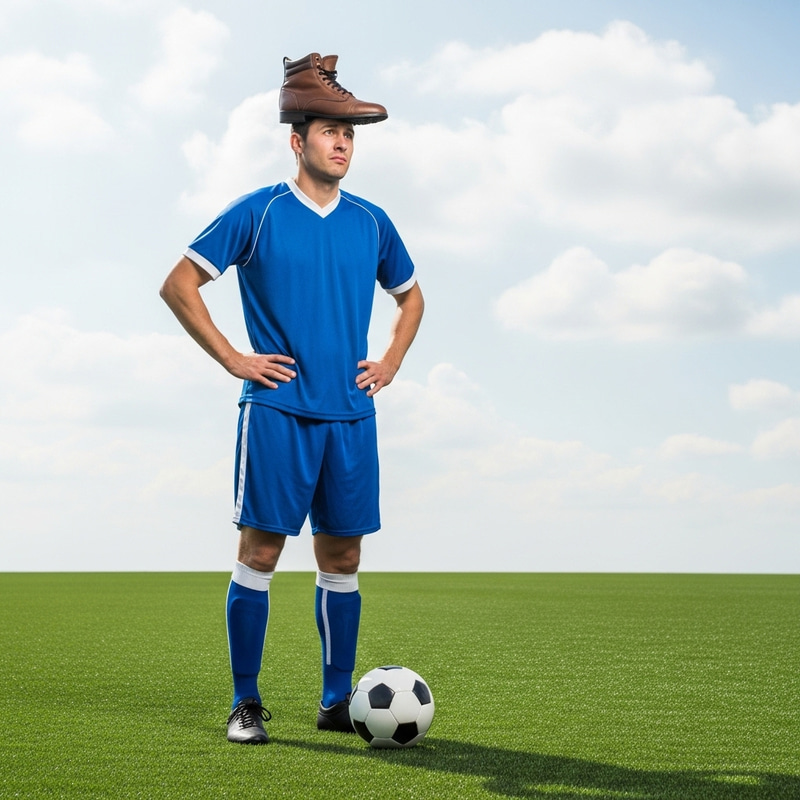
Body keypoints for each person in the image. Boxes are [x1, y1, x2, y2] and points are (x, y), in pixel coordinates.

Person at [159, 52, 424, 744]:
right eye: (330, 130)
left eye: (351, 133)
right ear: (297, 140)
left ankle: (337, 701)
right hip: (276, 410)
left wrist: (391, 359)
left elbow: (411, 295)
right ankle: (246, 703)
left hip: (350, 414)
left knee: (342, 561)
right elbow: (179, 285)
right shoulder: (260, 211)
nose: (342, 143)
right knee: (262, 554)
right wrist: (233, 358)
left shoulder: (372, 221)